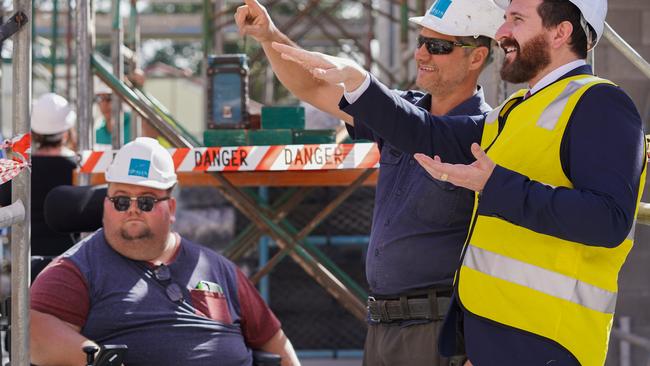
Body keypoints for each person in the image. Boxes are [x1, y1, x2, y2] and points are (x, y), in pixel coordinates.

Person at [270, 0, 647, 365]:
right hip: (496, 341)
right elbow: (426, 132)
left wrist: (496, 184)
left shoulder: (600, 103)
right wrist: (360, 83)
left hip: (546, 344)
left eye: (517, 19)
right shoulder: (512, 114)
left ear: (560, 32)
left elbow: (609, 220)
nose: (501, 32)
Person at [236, 1, 504, 365]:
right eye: (422, 40)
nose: (422, 53)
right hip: (382, 327)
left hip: (441, 331)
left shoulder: (488, 134)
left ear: (477, 58)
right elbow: (315, 86)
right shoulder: (399, 110)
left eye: (439, 46)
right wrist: (269, 37)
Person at [30, 137, 300, 366]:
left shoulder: (218, 268)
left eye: (146, 201)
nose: (132, 209)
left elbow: (274, 341)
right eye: (121, 200)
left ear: (170, 209)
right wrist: (102, 359)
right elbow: (33, 333)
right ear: (106, 205)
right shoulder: (76, 270)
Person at [0, 93, 78, 260]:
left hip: (26, 263)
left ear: (34, 132)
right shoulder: (77, 168)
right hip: (69, 260)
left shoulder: (21, 169)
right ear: (66, 131)